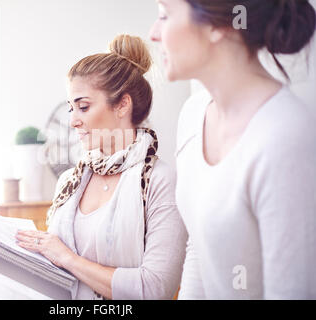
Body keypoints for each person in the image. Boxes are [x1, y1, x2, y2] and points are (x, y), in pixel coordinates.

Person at [150, 0, 316, 299]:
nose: (153, 33)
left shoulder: (287, 136)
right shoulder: (192, 115)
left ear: (217, 26)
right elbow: (199, 251)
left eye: (165, 15)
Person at [16, 34, 187, 300]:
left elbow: (154, 289)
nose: (73, 121)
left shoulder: (160, 181)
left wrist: (67, 258)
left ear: (122, 105)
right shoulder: (68, 183)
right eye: (71, 109)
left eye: (83, 107)